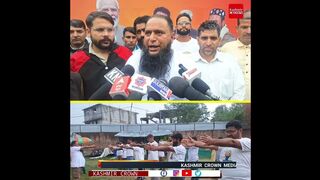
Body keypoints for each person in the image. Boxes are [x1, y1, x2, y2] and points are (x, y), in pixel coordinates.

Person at [70, 11, 132, 99]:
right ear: (88, 32)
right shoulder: (75, 60)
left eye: (110, 30)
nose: (106, 34)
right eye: (100, 30)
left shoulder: (126, 53)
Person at [126, 15, 196, 86]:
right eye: (148, 33)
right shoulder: (133, 60)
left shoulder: (186, 64)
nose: (152, 38)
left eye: (159, 33)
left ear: (172, 36)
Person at [191, 20, 245, 100]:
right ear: (198, 40)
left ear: (219, 40)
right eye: (204, 38)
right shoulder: (187, 62)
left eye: (213, 38)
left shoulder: (230, 61)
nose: (208, 43)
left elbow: (239, 91)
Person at [220, 10, 251, 101]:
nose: (249, 31)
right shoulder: (226, 49)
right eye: (244, 27)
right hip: (234, 105)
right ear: (237, 28)